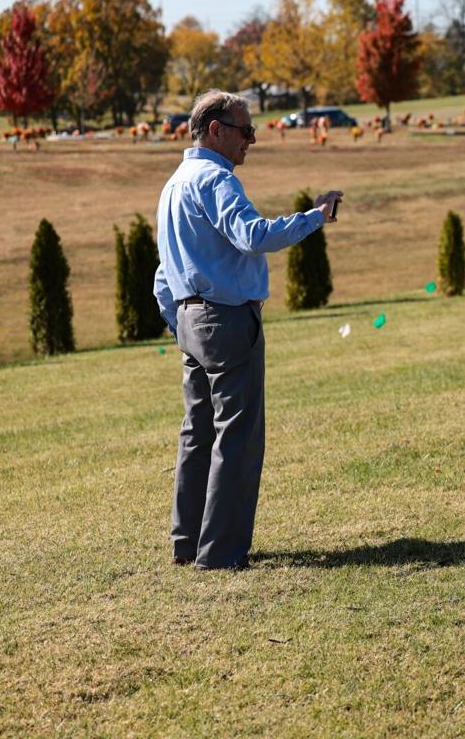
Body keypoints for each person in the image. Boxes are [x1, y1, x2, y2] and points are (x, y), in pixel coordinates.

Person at [153, 90, 342, 570]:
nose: (252, 139)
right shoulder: (216, 180)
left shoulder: (173, 184)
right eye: (245, 130)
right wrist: (314, 218)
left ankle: (187, 543)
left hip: (192, 321)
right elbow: (252, 236)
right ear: (215, 130)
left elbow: (162, 276)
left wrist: (182, 324)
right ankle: (220, 554)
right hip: (227, 320)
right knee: (237, 435)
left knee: (197, 433)